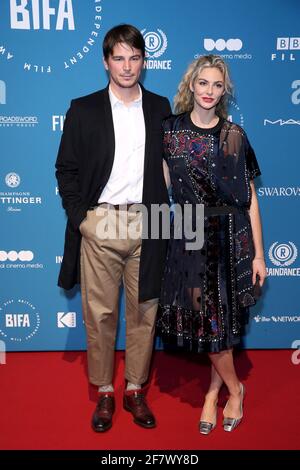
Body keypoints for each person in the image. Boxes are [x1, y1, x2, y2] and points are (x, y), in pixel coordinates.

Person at [55, 24, 171, 432]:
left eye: (134, 58)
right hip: (100, 221)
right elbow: (65, 169)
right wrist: (82, 219)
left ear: (144, 61)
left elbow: (171, 168)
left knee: (145, 311)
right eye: (119, 58)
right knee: (100, 314)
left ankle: (135, 388)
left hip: (149, 220)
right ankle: (105, 391)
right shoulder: (83, 109)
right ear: (106, 62)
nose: (127, 66)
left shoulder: (160, 108)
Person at [157, 55, 267, 434]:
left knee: (219, 326)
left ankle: (216, 393)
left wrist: (260, 254)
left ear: (224, 90)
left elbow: (250, 199)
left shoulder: (235, 135)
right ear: (191, 85)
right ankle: (235, 388)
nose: (209, 91)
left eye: (217, 85)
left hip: (230, 236)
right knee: (207, 324)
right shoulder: (169, 132)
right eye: (203, 83)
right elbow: (161, 187)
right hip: (189, 236)